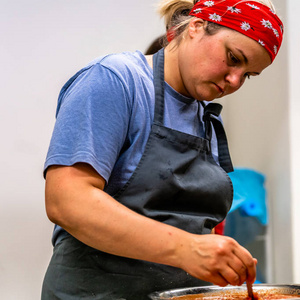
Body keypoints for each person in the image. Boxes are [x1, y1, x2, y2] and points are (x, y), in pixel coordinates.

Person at [41, 0, 283, 298]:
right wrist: (187, 248)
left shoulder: (205, 116)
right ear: (195, 26)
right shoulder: (116, 79)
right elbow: (67, 200)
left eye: (248, 75)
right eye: (233, 58)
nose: (235, 80)